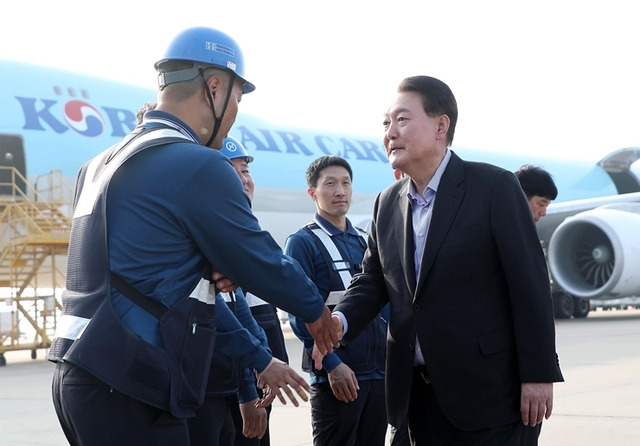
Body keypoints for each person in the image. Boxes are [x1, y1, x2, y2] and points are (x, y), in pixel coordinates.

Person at [48, 26, 337, 446]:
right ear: (214, 87)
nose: (236, 109)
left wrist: (205, 265)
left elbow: (146, 266)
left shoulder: (100, 163)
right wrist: (315, 312)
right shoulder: (196, 163)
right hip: (129, 380)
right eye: (238, 97)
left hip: (81, 370)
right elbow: (256, 255)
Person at [329, 76, 564, 446]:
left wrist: (538, 375)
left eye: (402, 120)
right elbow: (373, 279)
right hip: (415, 401)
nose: (390, 132)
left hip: (490, 399)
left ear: (441, 126)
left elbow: (530, 285)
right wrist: (338, 321)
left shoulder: (493, 188)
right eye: (385, 123)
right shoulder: (387, 202)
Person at [285, 155, 388, 446]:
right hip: (338, 377)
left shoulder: (364, 241)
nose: (339, 190)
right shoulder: (303, 243)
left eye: (345, 183)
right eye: (329, 184)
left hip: (377, 375)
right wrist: (332, 365)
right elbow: (300, 313)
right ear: (312, 193)